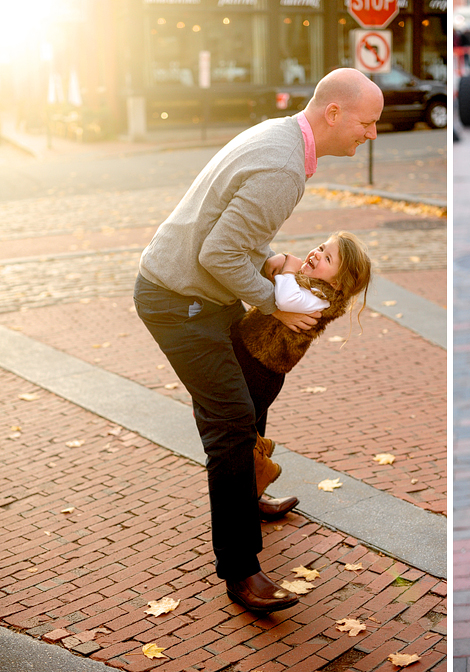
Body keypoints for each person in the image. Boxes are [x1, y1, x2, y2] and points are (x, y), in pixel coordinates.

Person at [133, 68, 383, 614]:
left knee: (248, 396)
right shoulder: (284, 167)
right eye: (366, 123)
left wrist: (267, 259)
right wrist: (276, 302)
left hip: (204, 292)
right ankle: (241, 570)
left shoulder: (279, 135)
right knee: (230, 424)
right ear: (334, 113)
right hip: (181, 301)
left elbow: (233, 235)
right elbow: (218, 255)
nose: (370, 134)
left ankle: (248, 494)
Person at [233, 232, 372, 497]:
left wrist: (286, 268)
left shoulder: (321, 299)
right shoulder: (309, 283)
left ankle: (261, 471)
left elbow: (284, 299)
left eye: (327, 257)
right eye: (321, 247)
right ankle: (257, 464)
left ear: (338, 283)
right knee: (239, 424)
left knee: (236, 429)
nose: (317, 254)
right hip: (250, 353)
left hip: (264, 371)